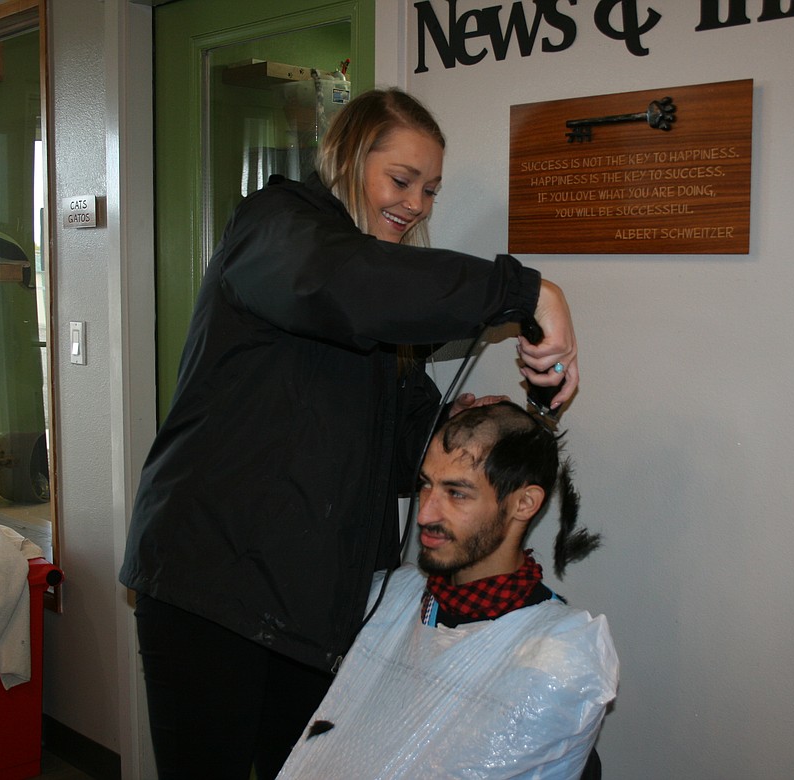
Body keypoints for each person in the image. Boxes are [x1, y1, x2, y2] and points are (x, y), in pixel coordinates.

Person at [118, 88, 581, 779]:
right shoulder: (278, 228)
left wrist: (453, 433)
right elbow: (338, 284)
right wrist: (531, 293)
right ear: (345, 156)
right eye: (401, 180)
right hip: (211, 585)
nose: (417, 204)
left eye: (430, 190)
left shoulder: (378, 309)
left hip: (311, 603)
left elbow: (394, 454)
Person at [276, 401, 617, 779]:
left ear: (524, 503)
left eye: (456, 493)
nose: (424, 514)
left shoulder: (556, 656)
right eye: (426, 484)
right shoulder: (390, 598)